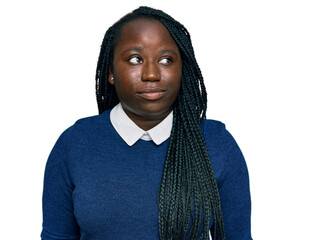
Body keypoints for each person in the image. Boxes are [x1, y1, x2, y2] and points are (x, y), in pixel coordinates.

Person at [41, 6, 252, 240]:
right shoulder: (74, 144)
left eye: (165, 60)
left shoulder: (216, 144)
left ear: (182, 69)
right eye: (135, 59)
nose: (151, 74)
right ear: (111, 72)